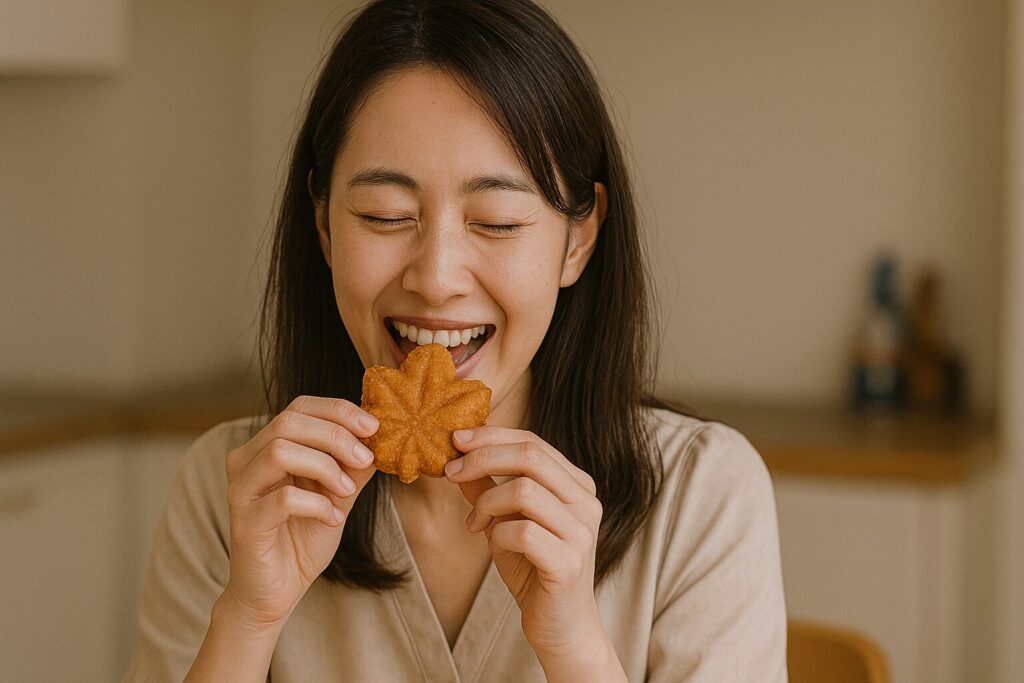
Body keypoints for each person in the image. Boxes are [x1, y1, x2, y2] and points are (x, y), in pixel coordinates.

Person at [123, 1, 787, 681]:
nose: (437, 279)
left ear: (578, 240)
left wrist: (574, 645)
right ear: (323, 225)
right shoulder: (235, 490)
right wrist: (248, 616)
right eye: (386, 215)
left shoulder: (702, 495)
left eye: (496, 221)